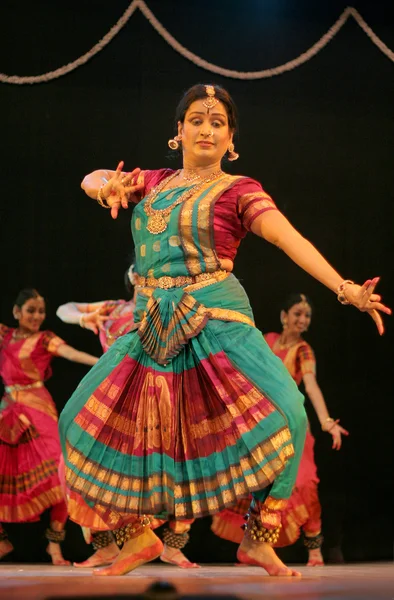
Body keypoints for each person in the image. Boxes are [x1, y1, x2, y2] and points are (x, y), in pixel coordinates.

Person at [59, 84, 390, 577]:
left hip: (218, 316)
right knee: (76, 424)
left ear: (231, 138)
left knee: (291, 413)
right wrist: (104, 184)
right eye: (196, 120)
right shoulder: (151, 182)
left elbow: (288, 238)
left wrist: (345, 289)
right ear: (178, 132)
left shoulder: (239, 191)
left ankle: (259, 539)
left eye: (218, 123)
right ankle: (136, 537)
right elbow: (91, 177)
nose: (207, 129)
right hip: (150, 322)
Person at [57, 267, 199, 569]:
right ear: (133, 276)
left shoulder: (165, 308)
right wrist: (84, 318)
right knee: (82, 460)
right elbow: (63, 309)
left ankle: (171, 546)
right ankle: (106, 545)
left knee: (173, 466)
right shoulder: (113, 309)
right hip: (110, 396)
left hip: (154, 393)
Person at [212, 293, 349, 566]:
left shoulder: (303, 350)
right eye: (297, 313)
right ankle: (253, 544)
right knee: (258, 483)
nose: (302, 319)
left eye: (307, 315)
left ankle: (313, 550)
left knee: (303, 485)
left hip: (294, 426)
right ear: (284, 316)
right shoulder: (268, 340)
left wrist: (326, 421)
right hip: (264, 424)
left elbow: (310, 386)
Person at [0, 288, 98, 565]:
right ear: (16, 312)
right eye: (30, 310)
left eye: (40, 311)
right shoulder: (5, 336)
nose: (36, 316)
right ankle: (2, 542)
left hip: (38, 411)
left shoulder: (45, 339)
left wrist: (104, 363)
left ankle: (54, 545)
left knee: (60, 476)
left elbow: (72, 354)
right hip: (7, 412)